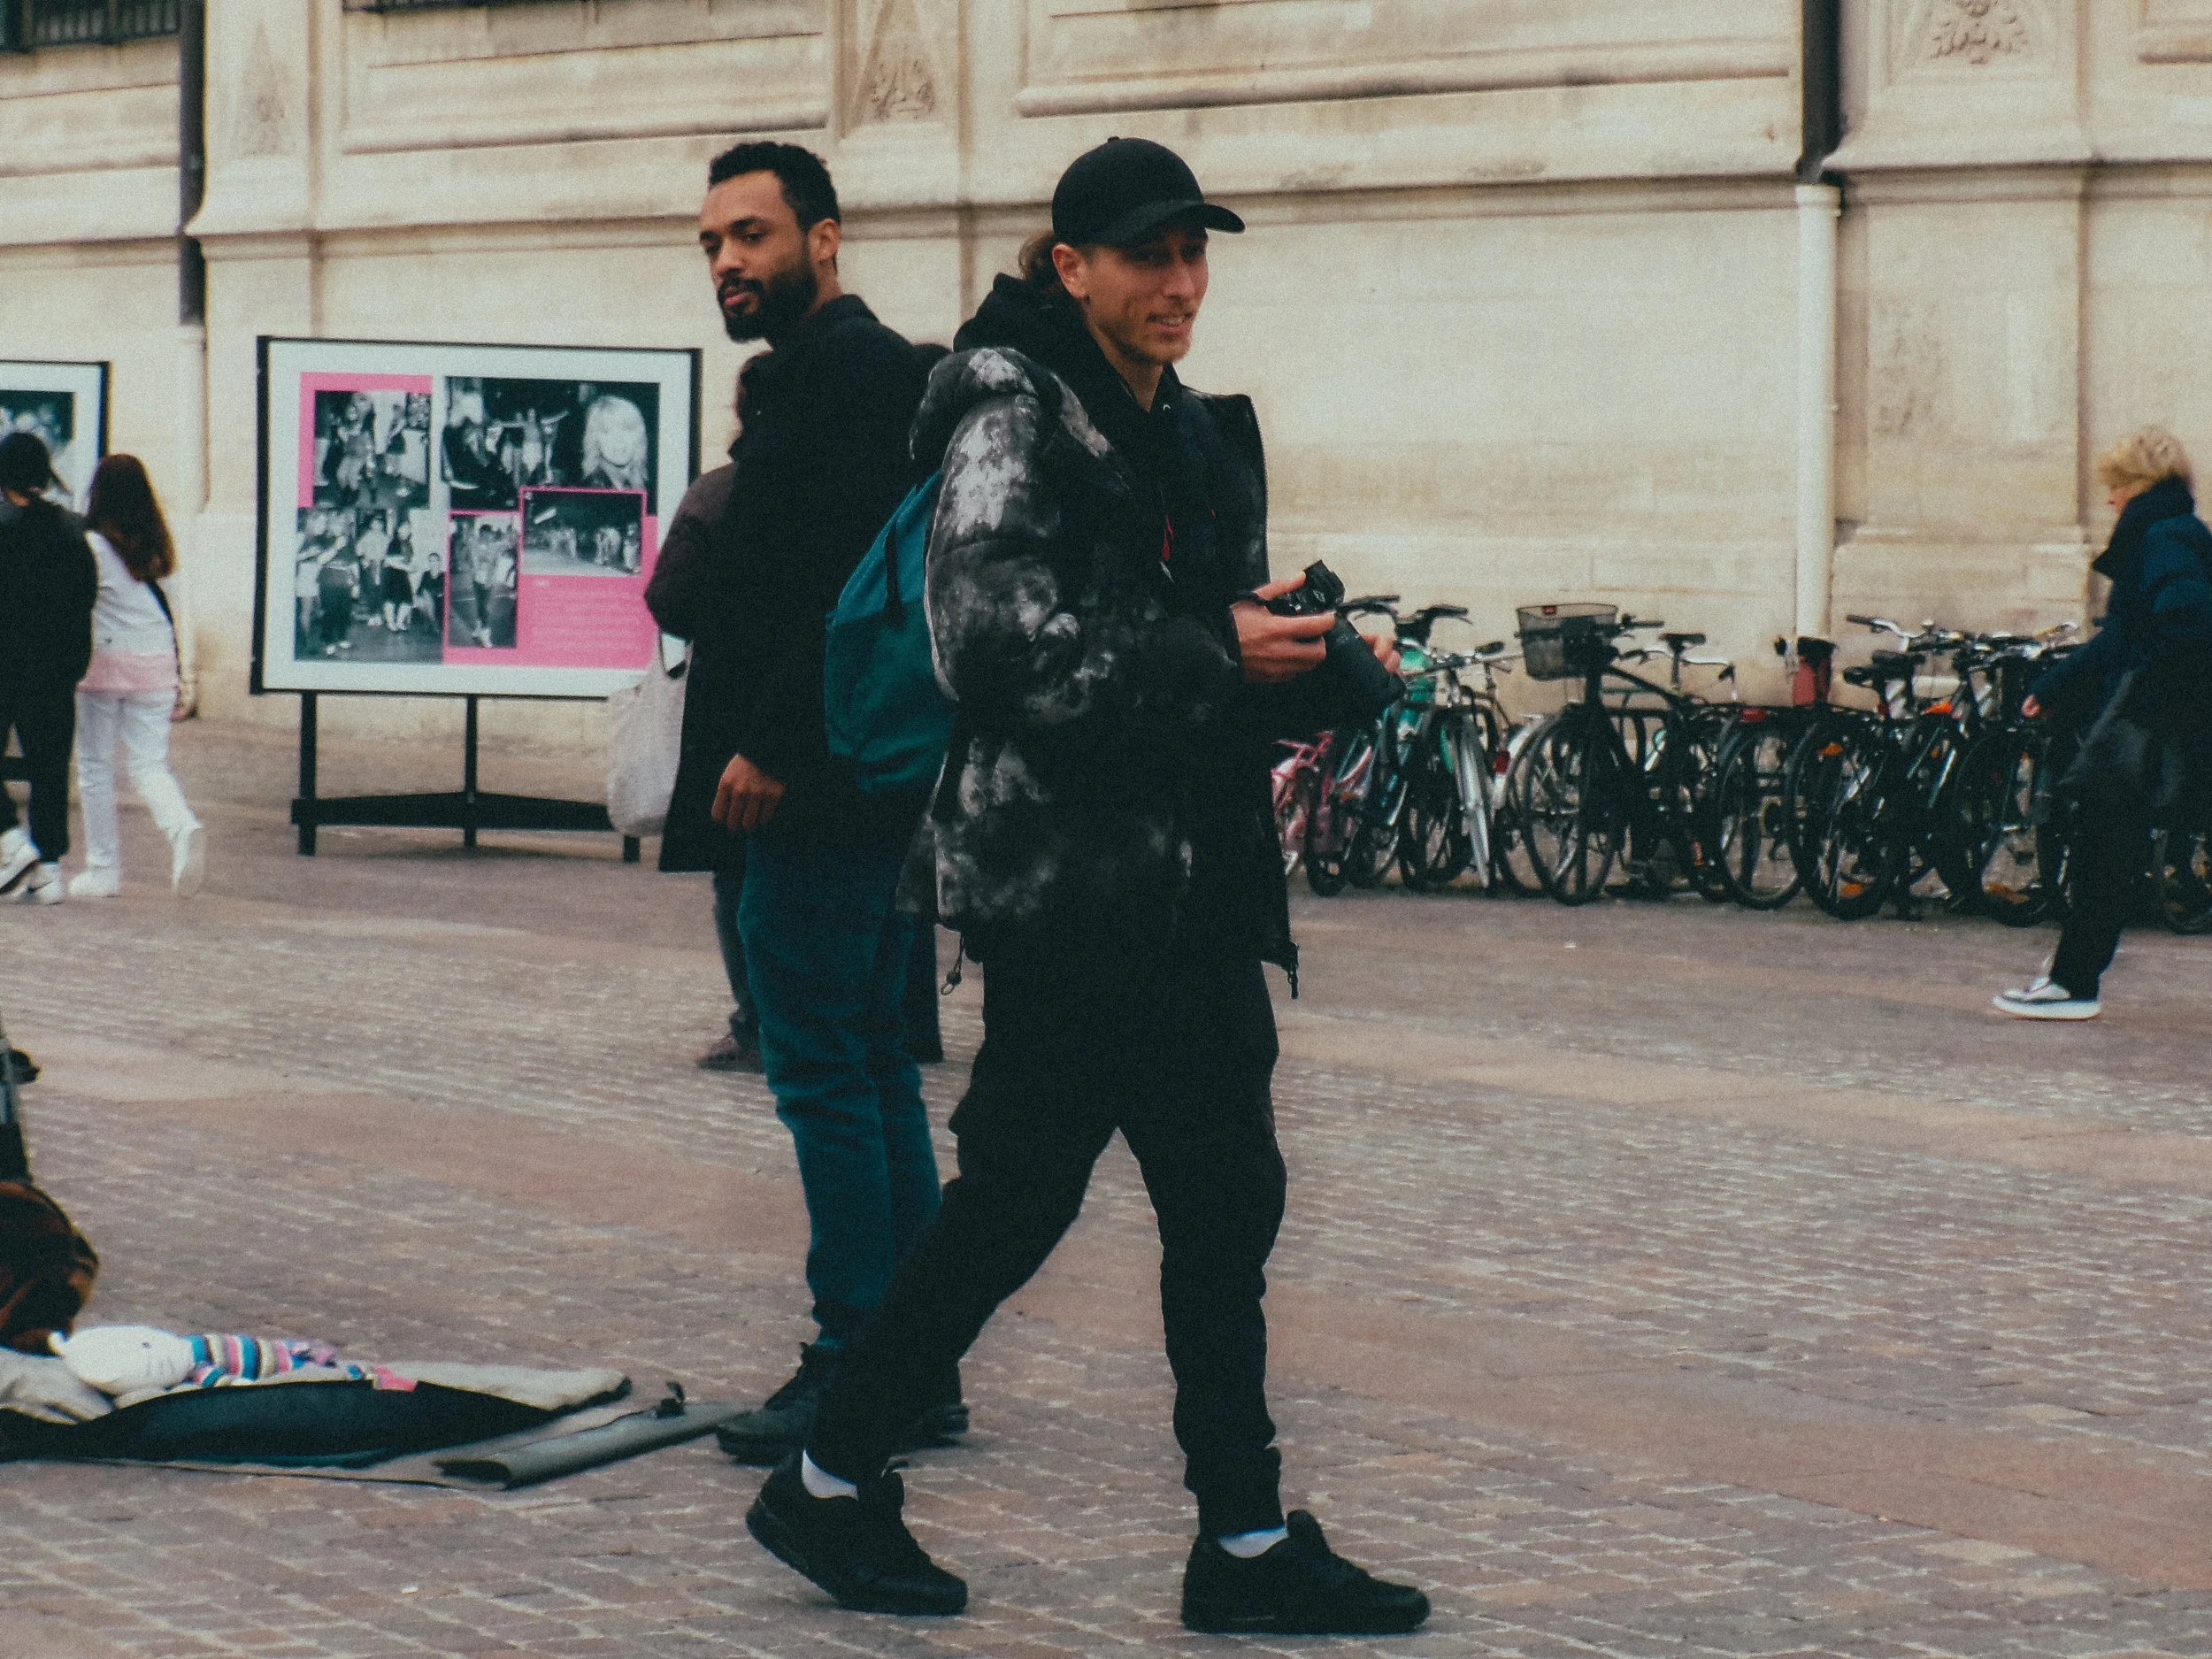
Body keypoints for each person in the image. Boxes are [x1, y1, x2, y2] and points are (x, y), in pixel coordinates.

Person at [744, 137, 1431, 1636]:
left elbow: (1186, 632)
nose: (1179, 283)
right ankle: (836, 1478)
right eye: (1145, 256)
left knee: (1217, 1197)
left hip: (1187, 882)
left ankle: (1235, 1540)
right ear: (1071, 267)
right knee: (1023, 1202)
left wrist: (1311, 662)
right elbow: (990, 642)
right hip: (1069, 886)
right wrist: (1212, 651)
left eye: (1194, 254)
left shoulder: (1175, 422)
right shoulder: (1010, 414)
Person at [660, 139, 956, 1466]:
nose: (728, 261)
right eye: (713, 242)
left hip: (817, 779)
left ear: (824, 239)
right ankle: (912, 1360)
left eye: (752, 236)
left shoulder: (844, 377)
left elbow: (841, 578)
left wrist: (772, 741)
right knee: (870, 1055)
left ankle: (855, 1358)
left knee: (825, 1067)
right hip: (867, 773)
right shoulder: (858, 375)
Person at [1997, 426, 2212, 1019]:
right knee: (2106, 850)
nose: (2110, 500)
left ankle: (2073, 984)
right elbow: (2126, 637)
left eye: (2115, 487)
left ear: (2138, 484)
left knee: (2103, 850)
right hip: (2158, 719)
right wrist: (2056, 685)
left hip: (2151, 724)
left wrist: (2147, 700)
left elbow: (2174, 628)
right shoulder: (2170, 532)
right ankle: (2071, 980)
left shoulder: (2164, 537)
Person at [643, 461, 761, 1073]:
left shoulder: (724, 489)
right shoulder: (874, 478)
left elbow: (670, 597)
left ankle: (756, 1023)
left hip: (738, 709)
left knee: (738, 871)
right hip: (858, 719)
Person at [66, 456, 205, 900]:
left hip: (105, 665)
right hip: (157, 664)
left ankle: (104, 870)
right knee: (148, 764)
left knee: (94, 767)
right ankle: (182, 827)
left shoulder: (91, 545)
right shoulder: (159, 546)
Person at [0, 432, 97, 905]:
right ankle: (50, 866)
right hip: (53, 668)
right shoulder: (68, 530)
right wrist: (73, 663)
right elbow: (84, 600)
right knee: (49, 767)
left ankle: (12, 842)